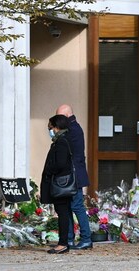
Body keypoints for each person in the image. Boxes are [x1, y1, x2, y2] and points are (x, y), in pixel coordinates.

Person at [56, 104, 92, 250]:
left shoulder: (72, 130)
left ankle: (86, 238)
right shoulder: (73, 129)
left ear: (66, 116)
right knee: (69, 207)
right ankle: (69, 238)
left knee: (77, 206)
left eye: (59, 117)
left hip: (74, 176)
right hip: (73, 174)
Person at [41, 115, 75, 254]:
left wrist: (49, 170)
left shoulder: (61, 142)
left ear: (57, 127)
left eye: (50, 127)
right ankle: (64, 242)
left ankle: (63, 244)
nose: (49, 129)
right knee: (63, 212)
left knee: (62, 213)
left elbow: (60, 163)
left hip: (60, 184)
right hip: (61, 183)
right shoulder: (62, 140)